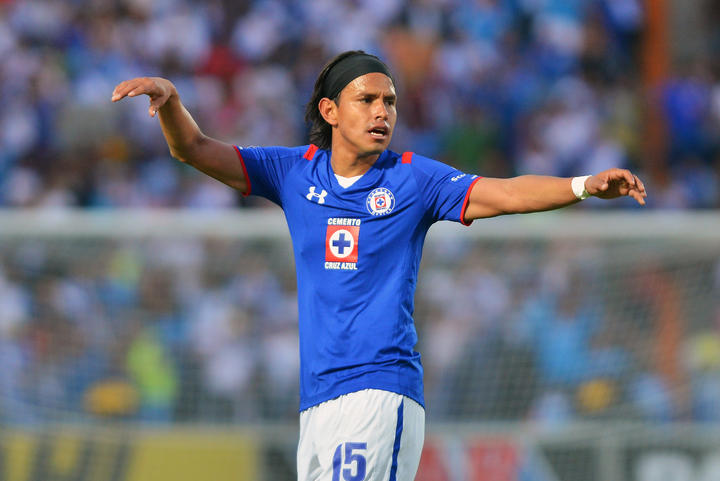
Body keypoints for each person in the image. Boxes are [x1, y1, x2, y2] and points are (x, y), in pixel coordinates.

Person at [111, 50, 646, 481]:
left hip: (379, 390)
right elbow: (194, 148)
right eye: (366, 99)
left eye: (389, 101)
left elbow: (503, 193)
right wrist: (171, 101)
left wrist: (583, 185)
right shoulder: (293, 173)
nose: (382, 112)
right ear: (330, 111)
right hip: (317, 402)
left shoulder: (413, 179)